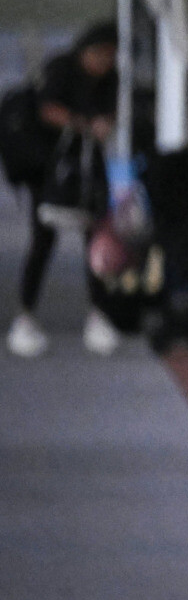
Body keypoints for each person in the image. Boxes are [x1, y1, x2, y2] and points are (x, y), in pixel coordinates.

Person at [8, 22, 122, 358]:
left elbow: (111, 112)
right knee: (43, 239)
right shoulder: (61, 69)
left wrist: (103, 125)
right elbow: (47, 109)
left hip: (88, 166)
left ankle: (99, 314)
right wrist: (82, 123)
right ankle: (26, 315)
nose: (105, 63)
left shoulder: (109, 78)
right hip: (50, 167)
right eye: (102, 55)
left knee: (96, 239)